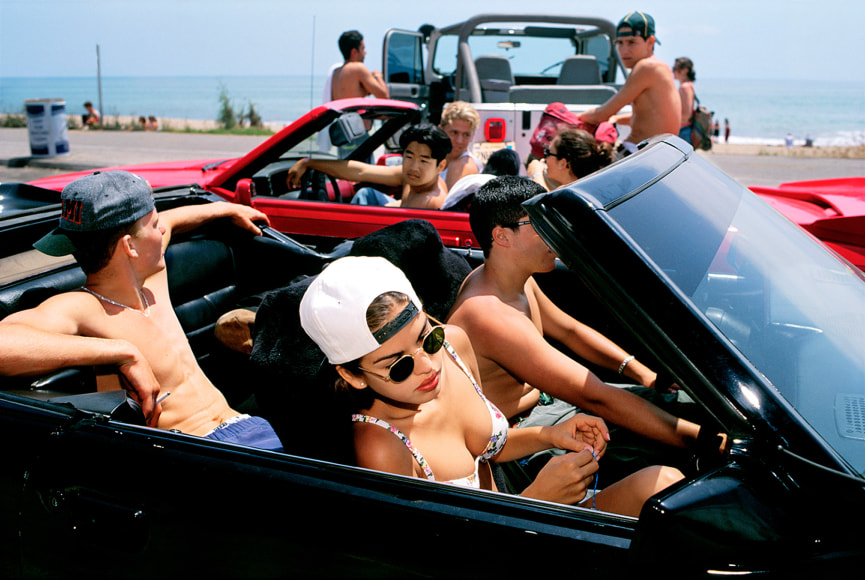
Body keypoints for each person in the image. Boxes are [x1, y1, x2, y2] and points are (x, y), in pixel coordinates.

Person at [299, 255, 683, 516]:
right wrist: (536, 500)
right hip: (497, 549)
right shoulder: (381, 447)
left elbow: (484, 449)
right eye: (397, 367)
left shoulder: (454, 344)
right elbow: (434, 556)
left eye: (426, 338)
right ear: (352, 375)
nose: (427, 365)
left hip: (519, 517)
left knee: (666, 486)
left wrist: (550, 434)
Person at [446, 176, 712, 483]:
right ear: (502, 236)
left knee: (688, 408)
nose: (555, 232)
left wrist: (642, 374)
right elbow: (596, 398)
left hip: (553, 409)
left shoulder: (512, 279)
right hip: (524, 442)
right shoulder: (488, 315)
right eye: (540, 224)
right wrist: (707, 442)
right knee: (676, 451)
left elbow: (570, 331)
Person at [0, 171, 284, 452]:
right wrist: (122, 351)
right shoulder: (83, 306)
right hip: (200, 450)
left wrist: (225, 209)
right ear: (130, 247)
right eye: (154, 225)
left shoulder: (150, 279)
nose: (162, 231)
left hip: (247, 427)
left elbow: (173, 220)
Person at [577, 12, 680, 159]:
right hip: (659, 156)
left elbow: (602, 114)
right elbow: (650, 114)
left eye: (632, 42)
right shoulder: (660, 68)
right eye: (619, 43)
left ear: (650, 42)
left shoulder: (646, 67)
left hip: (638, 154)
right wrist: (617, 120)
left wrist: (572, 119)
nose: (624, 51)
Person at [287, 123, 452, 209]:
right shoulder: (414, 177)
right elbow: (361, 171)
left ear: (441, 166)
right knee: (366, 194)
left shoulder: (431, 202)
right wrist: (310, 162)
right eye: (409, 156)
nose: (414, 167)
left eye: (424, 160)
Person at [526, 128, 614, 191]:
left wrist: (535, 175)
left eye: (548, 153)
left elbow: (547, 210)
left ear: (563, 163)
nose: (545, 158)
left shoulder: (571, 195)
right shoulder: (588, 189)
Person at [328, 30, 389, 102]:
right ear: (354, 52)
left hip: (342, 113)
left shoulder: (336, 72)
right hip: (354, 113)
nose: (365, 52)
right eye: (363, 48)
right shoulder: (358, 68)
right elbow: (384, 97)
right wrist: (378, 76)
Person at [439, 101, 483, 190]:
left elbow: (446, 203)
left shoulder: (463, 165)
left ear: (472, 137)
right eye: (454, 133)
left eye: (466, 135)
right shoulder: (435, 158)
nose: (459, 141)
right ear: (441, 131)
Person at [673, 57, 696, 144]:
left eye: (675, 68)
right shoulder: (689, 85)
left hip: (683, 131)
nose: (673, 71)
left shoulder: (685, 87)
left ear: (685, 70)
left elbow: (686, 115)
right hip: (685, 130)